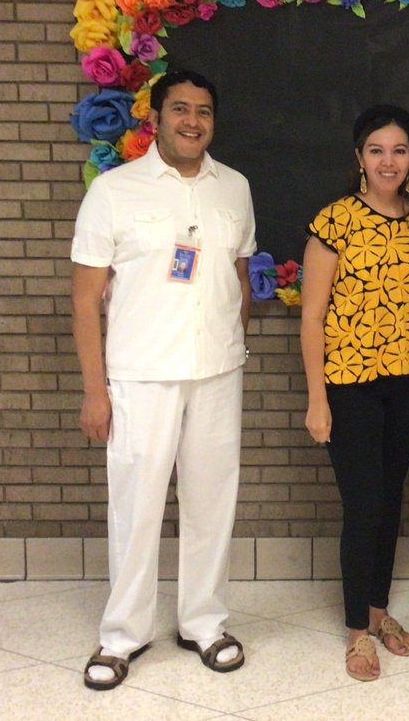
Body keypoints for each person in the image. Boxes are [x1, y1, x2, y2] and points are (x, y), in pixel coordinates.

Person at [71, 70, 256, 690]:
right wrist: (95, 392)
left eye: (203, 111)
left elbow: (237, 276)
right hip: (140, 377)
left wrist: (233, 342)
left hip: (216, 374)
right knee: (137, 506)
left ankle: (203, 622)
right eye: (180, 109)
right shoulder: (115, 191)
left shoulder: (235, 188)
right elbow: (85, 298)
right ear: (156, 117)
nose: (192, 122)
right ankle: (122, 635)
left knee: (211, 503)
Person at [300, 105, 409, 682]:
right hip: (349, 387)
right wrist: (316, 398)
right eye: (377, 150)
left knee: (389, 502)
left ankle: (381, 613)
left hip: (406, 385)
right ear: (359, 158)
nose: (389, 161)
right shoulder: (334, 222)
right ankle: (358, 632)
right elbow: (311, 317)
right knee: (363, 507)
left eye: (399, 150)